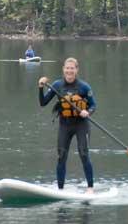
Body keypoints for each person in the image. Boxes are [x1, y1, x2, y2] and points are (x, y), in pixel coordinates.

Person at [38, 58, 97, 194]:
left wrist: (87, 112)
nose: (69, 71)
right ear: (63, 69)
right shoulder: (57, 85)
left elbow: (93, 105)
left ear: (76, 70)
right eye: (67, 68)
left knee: (84, 154)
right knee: (61, 156)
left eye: (72, 68)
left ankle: (90, 188)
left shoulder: (84, 87)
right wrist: (41, 87)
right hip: (65, 125)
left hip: (81, 125)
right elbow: (43, 103)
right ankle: (60, 189)